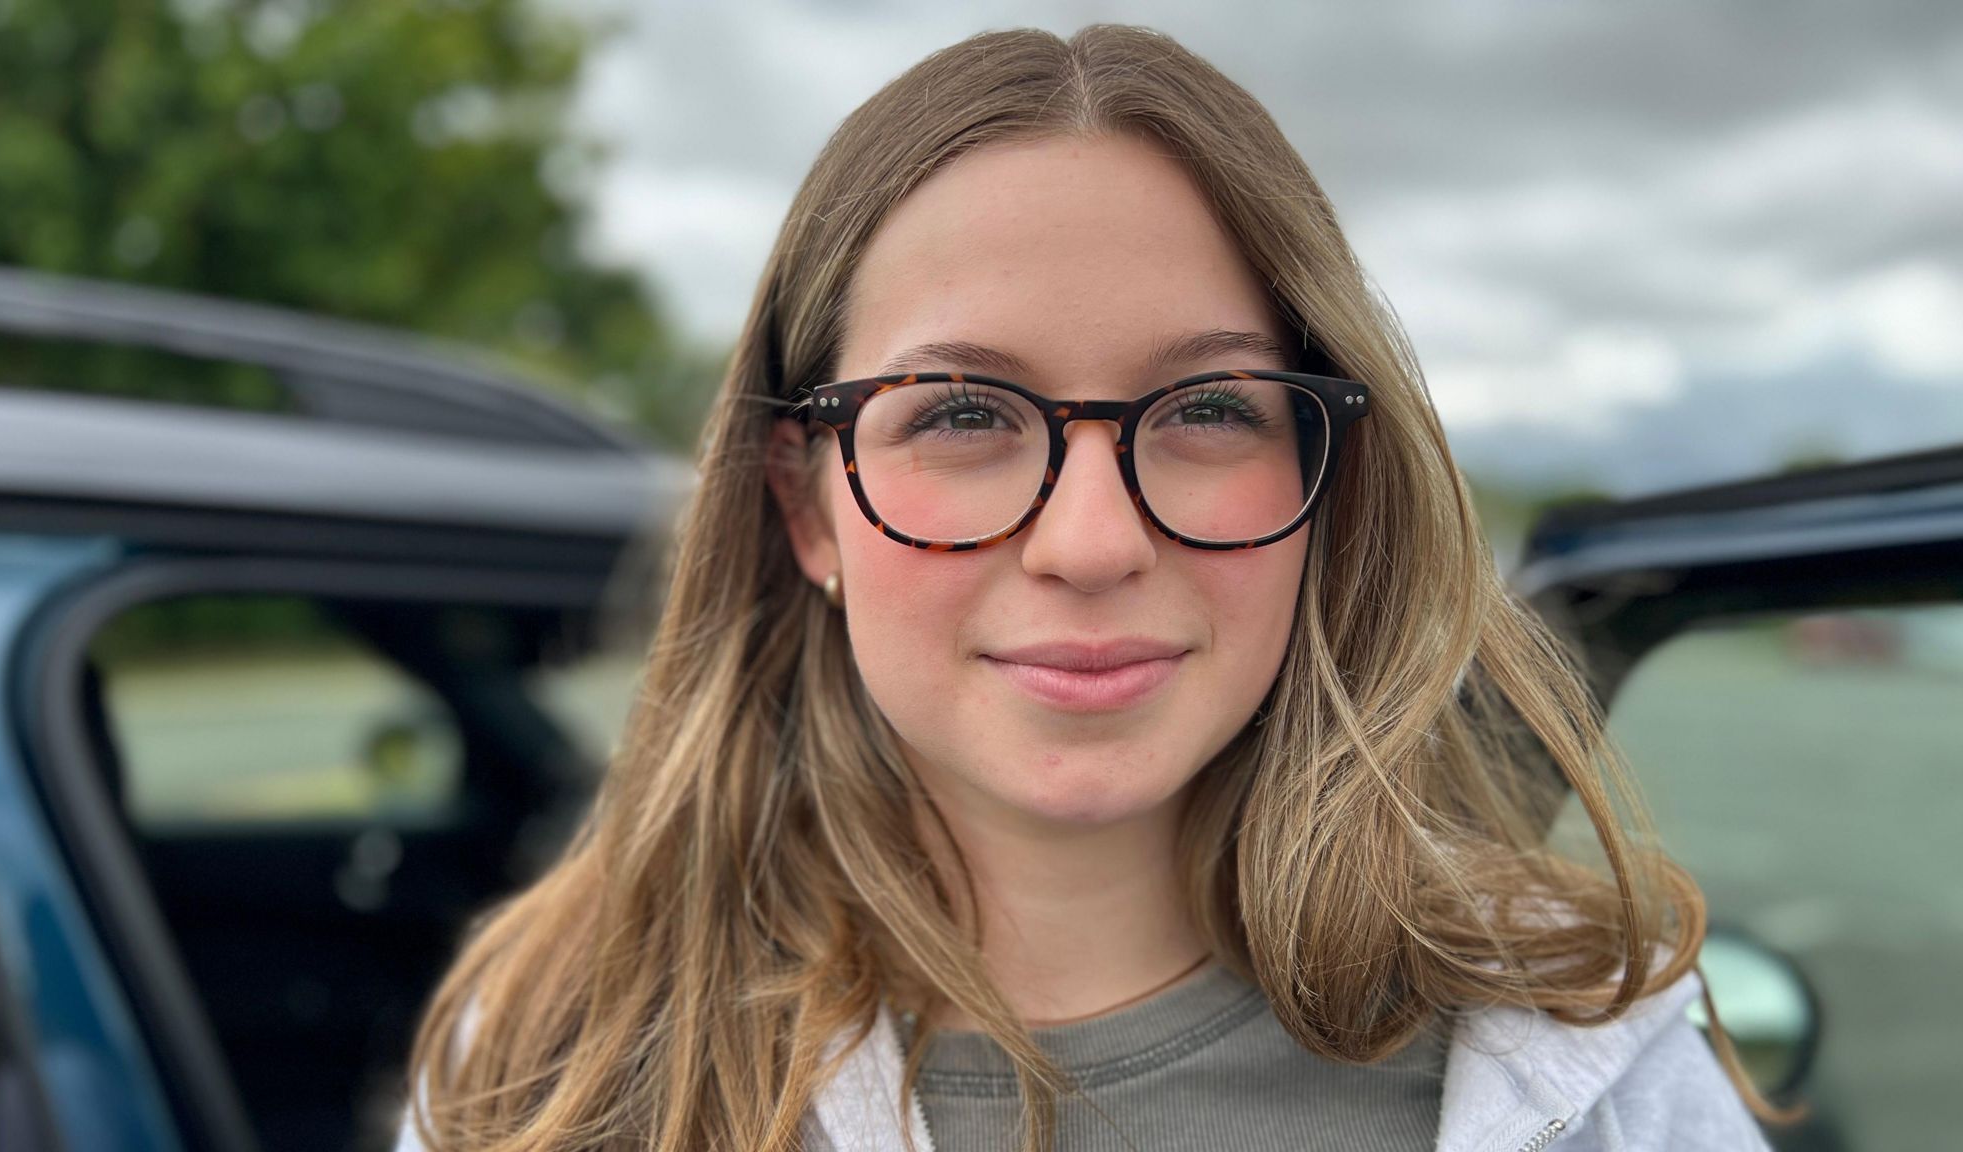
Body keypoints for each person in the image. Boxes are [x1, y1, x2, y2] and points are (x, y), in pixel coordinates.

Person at [397, 24, 1796, 1152]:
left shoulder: (1585, 1047)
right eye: (957, 414)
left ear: (1326, 475)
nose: (1087, 543)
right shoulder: (545, 1072)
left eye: (1205, 410)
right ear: (803, 503)